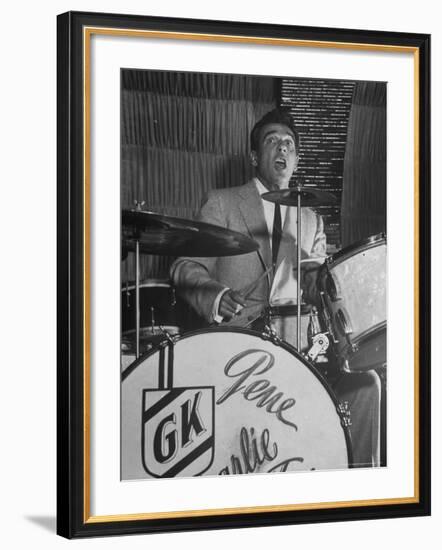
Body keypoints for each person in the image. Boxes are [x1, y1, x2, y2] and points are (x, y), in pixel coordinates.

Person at [170, 108, 381, 468]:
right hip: (237, 347)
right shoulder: (222, 201)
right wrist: (217, 296)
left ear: (296, 159)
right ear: (255, 156)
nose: (282, 148)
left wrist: (338, 286)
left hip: (300, 349)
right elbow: (184, 266)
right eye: (272, 141)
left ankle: (357, 492)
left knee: (368, 385)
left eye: (289, 144)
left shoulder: (312, 218)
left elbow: (318, 285)